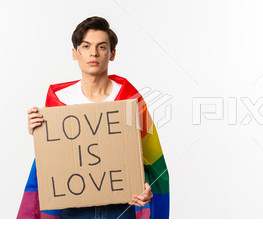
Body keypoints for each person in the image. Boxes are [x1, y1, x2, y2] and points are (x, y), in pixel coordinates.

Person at [17, 16, 170, 219]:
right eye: (86, 46)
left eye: (101, 46)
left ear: (112, 54)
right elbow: (52, 160)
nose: (93, 53)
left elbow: (151, 159)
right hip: (71, 210)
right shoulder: (58, 99)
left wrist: (147, 192)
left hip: (120, 209)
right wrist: (37, 130)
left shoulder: (131, 101)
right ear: (75, 53)